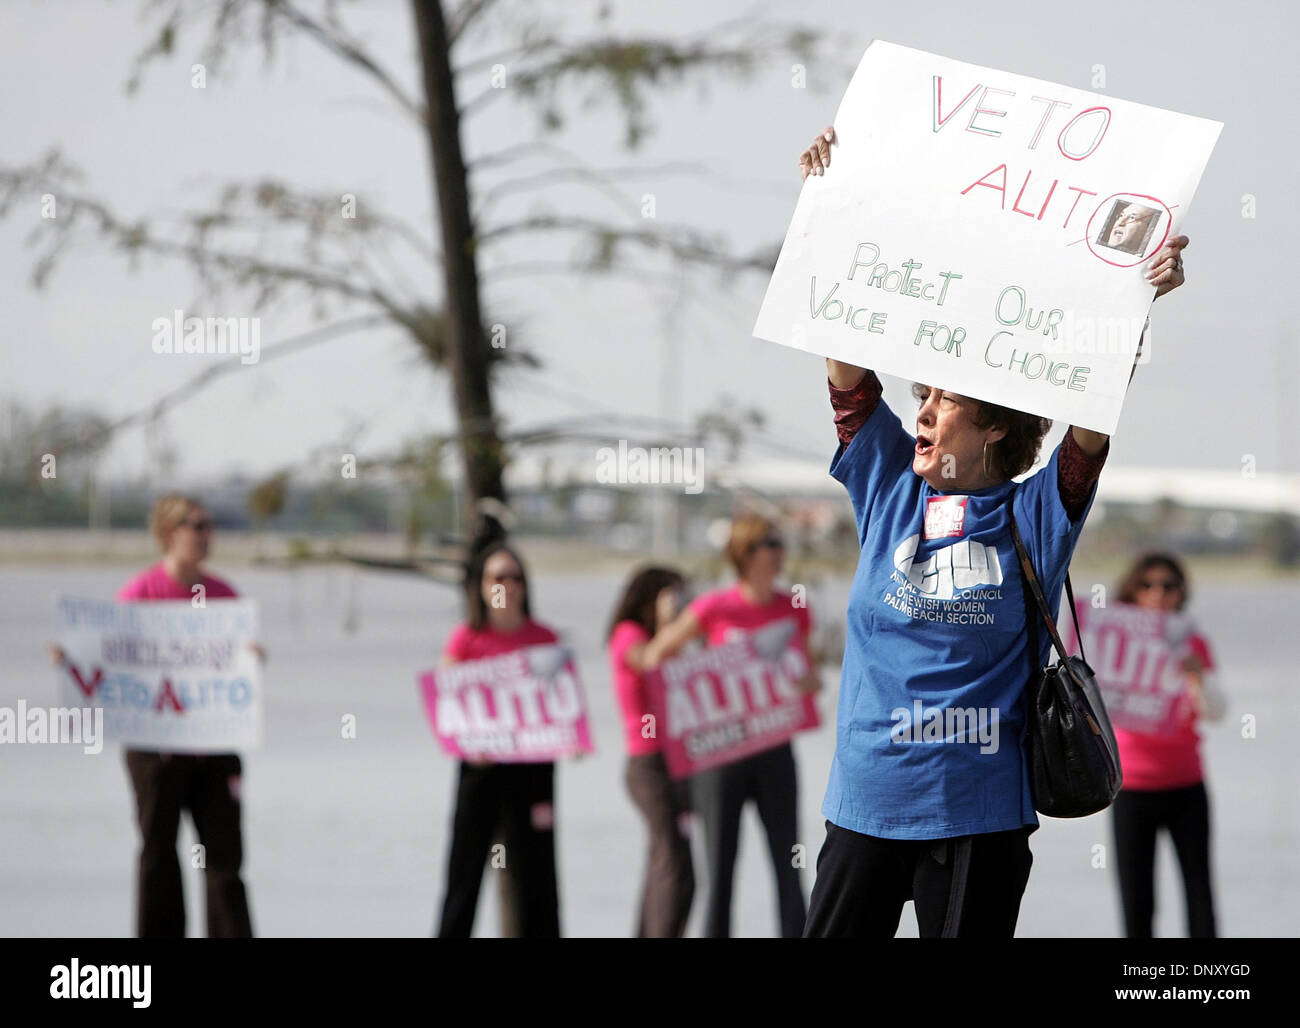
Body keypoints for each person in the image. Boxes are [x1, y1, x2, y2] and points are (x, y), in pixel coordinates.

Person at [796, 126, 1190, 937]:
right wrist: (831, 204)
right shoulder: (887, 485)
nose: (924, 412)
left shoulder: (1034, 514)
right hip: (867, 803)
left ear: (997, 432)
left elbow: (1092, 423)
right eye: (922, 395)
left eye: (945, 400)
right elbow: (846, 373)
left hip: (977, 816)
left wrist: (1137, 297)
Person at [51, 494, 258, 937]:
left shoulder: (222, 595)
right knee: (158, 852)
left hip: (214, 745)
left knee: (224, 858)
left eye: (209, 526)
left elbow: (236, 666)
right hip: (155, 750)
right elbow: (105, 656)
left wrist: (252, 659)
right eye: (197, 526)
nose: (206, 535)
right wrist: (71, 659)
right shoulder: (139, 593)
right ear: (170, 533)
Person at [643, 513, 822, 938]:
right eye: (770, 545)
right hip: (721, 755)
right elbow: (654, 658)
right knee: (720, 872)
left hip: (775, 750)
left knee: (789, 865)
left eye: (781, 544)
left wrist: (804, 684)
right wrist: (693, 687)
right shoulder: (715, 606)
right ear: (745, 554)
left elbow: (812, 677)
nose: (780, 553)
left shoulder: (793, 607)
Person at [436, 543, 562, 937]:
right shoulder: (466, 639)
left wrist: (571, 737)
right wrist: (470, 746)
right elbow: (445, 705)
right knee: (464, 873)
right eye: (497, 577)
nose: (506, 585)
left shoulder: (545, 638)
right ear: (481, 586)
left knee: (538, 875)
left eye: (515, 577)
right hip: (481, 768)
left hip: (533, 769)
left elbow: (562, 704)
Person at [1110, 553, 1224, 938]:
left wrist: (1197, 677)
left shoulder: (1193, 643)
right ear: (1133, 591)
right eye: (1147, 585)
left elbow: (1216, 712)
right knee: (1136, 900)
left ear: (1180, 593)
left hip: (1186, 785)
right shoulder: (1114, 643)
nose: (1158, 594)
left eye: (1168, 586)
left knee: (1199, 891)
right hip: (1131, 788)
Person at [607, 565, 695, 937]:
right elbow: (648, 661)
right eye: (674, 595)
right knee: (673, 861)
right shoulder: (629, 635)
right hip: (647, 765)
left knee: (666, 863)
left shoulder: (671, 641)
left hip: (678, 763)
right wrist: (670, 625)